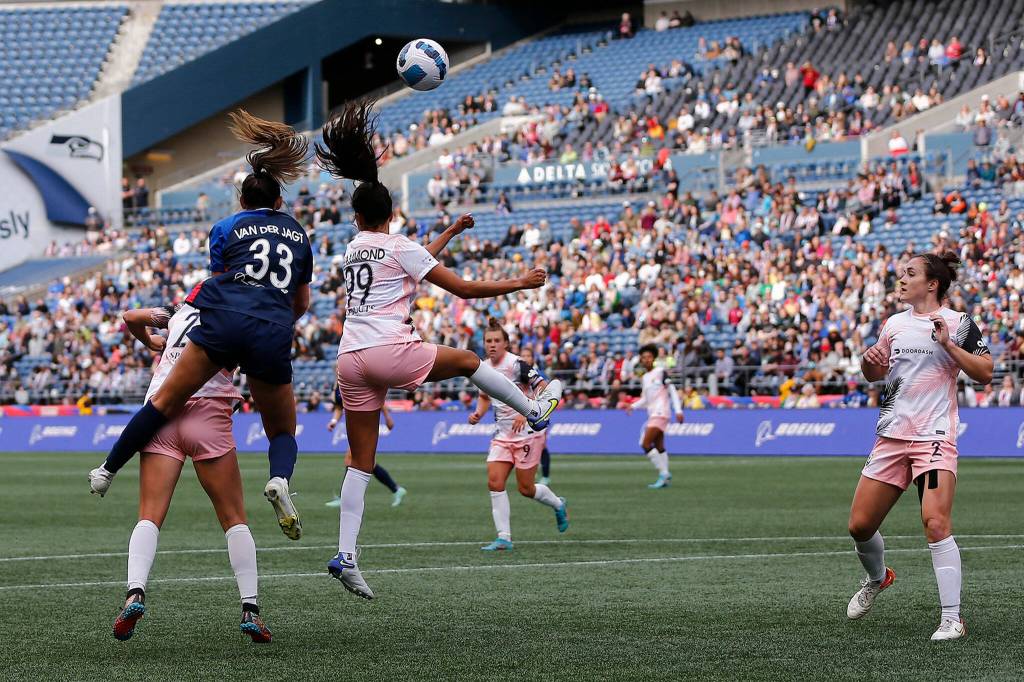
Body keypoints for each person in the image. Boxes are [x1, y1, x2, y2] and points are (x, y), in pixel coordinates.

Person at [314, 101, 564, 599]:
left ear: (358, 214)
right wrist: (519, 282)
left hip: (349, 360)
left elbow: (412, 259)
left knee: (360, 461)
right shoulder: (398, 245)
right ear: (391, 214)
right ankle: (533, 410)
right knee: (471, 361)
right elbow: (462, 289)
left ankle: (346, 554)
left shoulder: (353, 248)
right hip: (389, 349)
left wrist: (449, 232)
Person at [89, 111, 313, 543]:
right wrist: (272, 323)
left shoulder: (226, 227)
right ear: (280, 203)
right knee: (282, 429)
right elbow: (300, 301)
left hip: (225, 324)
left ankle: (106, 469)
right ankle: (280, 479)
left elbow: (217, 283)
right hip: (272, 327)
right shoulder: (299, 235)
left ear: (243, 202)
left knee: (165, 401)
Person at [847, 251, 992, 641]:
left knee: (935, 522)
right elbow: (876, 373)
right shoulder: (893, 324)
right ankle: (879, 578)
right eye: (901, 273)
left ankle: (952, 619)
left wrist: (948, 346)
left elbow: (986, 373)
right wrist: (869, 362)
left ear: (932, 284)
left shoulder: (960, 323)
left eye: (909, 273)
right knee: (860, 525)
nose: (901, 278)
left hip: (934, 436)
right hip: (891, 434)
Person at [111, 298, 271, 643]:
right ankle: (250, 610)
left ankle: (135, 593)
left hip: (160, 412)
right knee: (234, 519)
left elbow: (130, 316)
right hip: (208, 413)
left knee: (149, 516)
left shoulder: (178, 311)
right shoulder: (236, 312)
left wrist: (151, 340)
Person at [469, 320, 568, 551]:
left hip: (527, 434)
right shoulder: (481, 367)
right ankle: (504, 537)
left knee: (526, 489)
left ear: (506, 343)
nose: (492, 345)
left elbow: (542, 385)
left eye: (497, 341)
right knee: (494, 482)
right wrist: (478, 413)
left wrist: (528, 410)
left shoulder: (517, 365)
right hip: (502, 434)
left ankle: (558, 504)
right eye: (488, 341)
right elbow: (484, 397)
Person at [325, 382, 406, 508]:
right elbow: (339, 407)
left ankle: (344, 498)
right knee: (367, 462)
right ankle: (396, 489)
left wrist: (388, 418)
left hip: (367, 421)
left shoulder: (355, 378)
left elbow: (377, 398)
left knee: (351, 460)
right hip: (354, 423)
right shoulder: (337, 385)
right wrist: (334, 421)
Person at [625, 344, 683, 488]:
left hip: (661, 412)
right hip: (653, 413)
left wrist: (678, 410)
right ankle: (666, 478)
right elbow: (645, 399)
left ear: (654, 358)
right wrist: (632, 406)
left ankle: (664, 473)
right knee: (659, 445)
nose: (646, 360)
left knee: (644, 444)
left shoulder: (661, 372)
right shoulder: (645, 377)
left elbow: (672, 390)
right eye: (644, 357)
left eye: (649, 357)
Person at [521, 346, 552, 484]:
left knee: (541, 445)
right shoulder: (518, 374)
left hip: (539, 413)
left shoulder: (540, 375)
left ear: (533, 358)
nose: (525, 358)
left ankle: (545, 476)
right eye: (523, 356)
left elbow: (547, 394)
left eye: (528, 355)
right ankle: (530, 473)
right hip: (524, 414)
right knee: (526, 444)